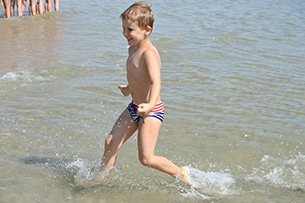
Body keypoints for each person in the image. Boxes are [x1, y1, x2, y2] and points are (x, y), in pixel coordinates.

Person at [98, 2, 191, 185]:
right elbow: (139, 77)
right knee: (110, 143)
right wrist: (129, 88)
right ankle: (99, 180)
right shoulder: (132, 49)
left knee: (146, 159)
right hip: (134, 107)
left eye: (130, 30)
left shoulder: (149, 53)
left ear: (147, 30)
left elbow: (156, 82)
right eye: (123, 28)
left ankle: (180, 172)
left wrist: (149, 105)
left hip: (152, 110)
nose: (125, 34)